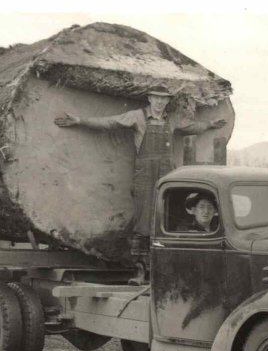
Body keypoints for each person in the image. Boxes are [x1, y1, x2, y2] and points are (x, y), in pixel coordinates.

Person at [54, 85, 226, 241]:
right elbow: (110, 122)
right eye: (156, 98)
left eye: (163, 99)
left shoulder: (172, 119)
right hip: (145, 170)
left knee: (168, 205)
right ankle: (141, 245)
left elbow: (192, 127)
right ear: (150, 99)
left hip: (166, 170)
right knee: (143, 209)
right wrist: (79, 121)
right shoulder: (137, 116)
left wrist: (210, 124)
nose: (159, 102)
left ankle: (167, 241)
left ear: (167, 101)